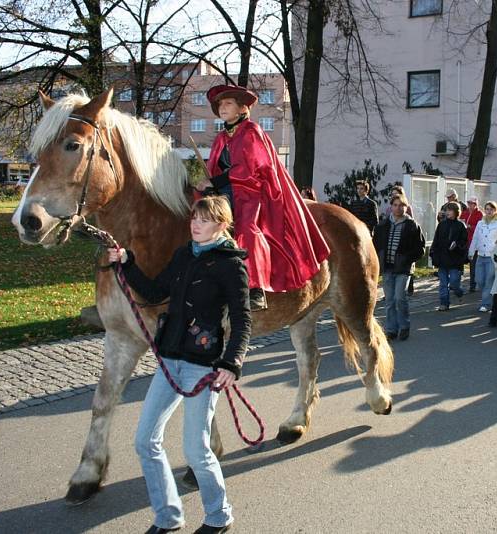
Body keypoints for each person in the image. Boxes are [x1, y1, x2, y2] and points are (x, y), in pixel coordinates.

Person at [108, 196, 251, 534]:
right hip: (170, 359)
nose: (195, 224)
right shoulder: (185, 254)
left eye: (204, 219)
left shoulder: (231, 265)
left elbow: (243, 320)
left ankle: (219, 516)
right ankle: (168, 517)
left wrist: (231, 363)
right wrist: (127, 262)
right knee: (145, 440)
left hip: (203, 366)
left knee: (196, 450)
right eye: (194, 218)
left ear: (221, 224)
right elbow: (155, 291)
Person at [202, 84, 330, 311]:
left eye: (228, 103)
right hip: (225, 193)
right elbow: (215, 169)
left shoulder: (251, 131)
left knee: (247, 229)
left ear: (242, 109)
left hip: (254, 192)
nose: (222, 107)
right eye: (220, 104)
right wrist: (209, 185)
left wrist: (216, 182)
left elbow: (253, 169)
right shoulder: (221, 137)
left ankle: (255, 287)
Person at [373, 194, 425, 341]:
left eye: (401, 205)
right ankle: (391, 329)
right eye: (395, 205)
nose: (398, 208)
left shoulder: (412, 225)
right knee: (389, 300)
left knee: (399, 298)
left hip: (403, 268)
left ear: (406, 207)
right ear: (391, 207)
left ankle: (404, 326)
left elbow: (420, 248)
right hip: (388, 267)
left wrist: (407, 258)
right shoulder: (383, 225)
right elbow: (375, 245)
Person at [431, 202, 468, 310]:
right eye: (447, 210)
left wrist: (457, 245)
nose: (448, 212)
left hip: (455, 259)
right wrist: (433, 254)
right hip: (442, 258)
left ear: (456, 212)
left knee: (454, 282)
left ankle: (459, 292)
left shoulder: (460, 226)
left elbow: (464, 242)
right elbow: (436, 240)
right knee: (443, 283)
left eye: (450, 210)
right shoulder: (442, 224)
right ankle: (444, 303)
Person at [468, 201, 497, 312]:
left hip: (491, 256)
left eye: (491, 209)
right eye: (487, 209)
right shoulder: (480, 223)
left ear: (496, 210)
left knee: (489, 279)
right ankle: (492, 297)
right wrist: (471, 251)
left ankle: (486, 303)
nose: (489, 211)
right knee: (479, 279)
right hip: (480, 254)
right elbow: (475, 238)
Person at [460, 196, 483, 291]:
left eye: (471, 203)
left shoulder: (479, 214)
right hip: (464, 241)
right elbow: (460, 222)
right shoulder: (464, 213)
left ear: (475, 204)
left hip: (474, 241)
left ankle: (472, 284)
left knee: (473, 264)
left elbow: (480, 227)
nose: (469, 205)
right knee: (460, 262)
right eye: (468, 203)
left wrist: (470, 227)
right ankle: (456, 283)